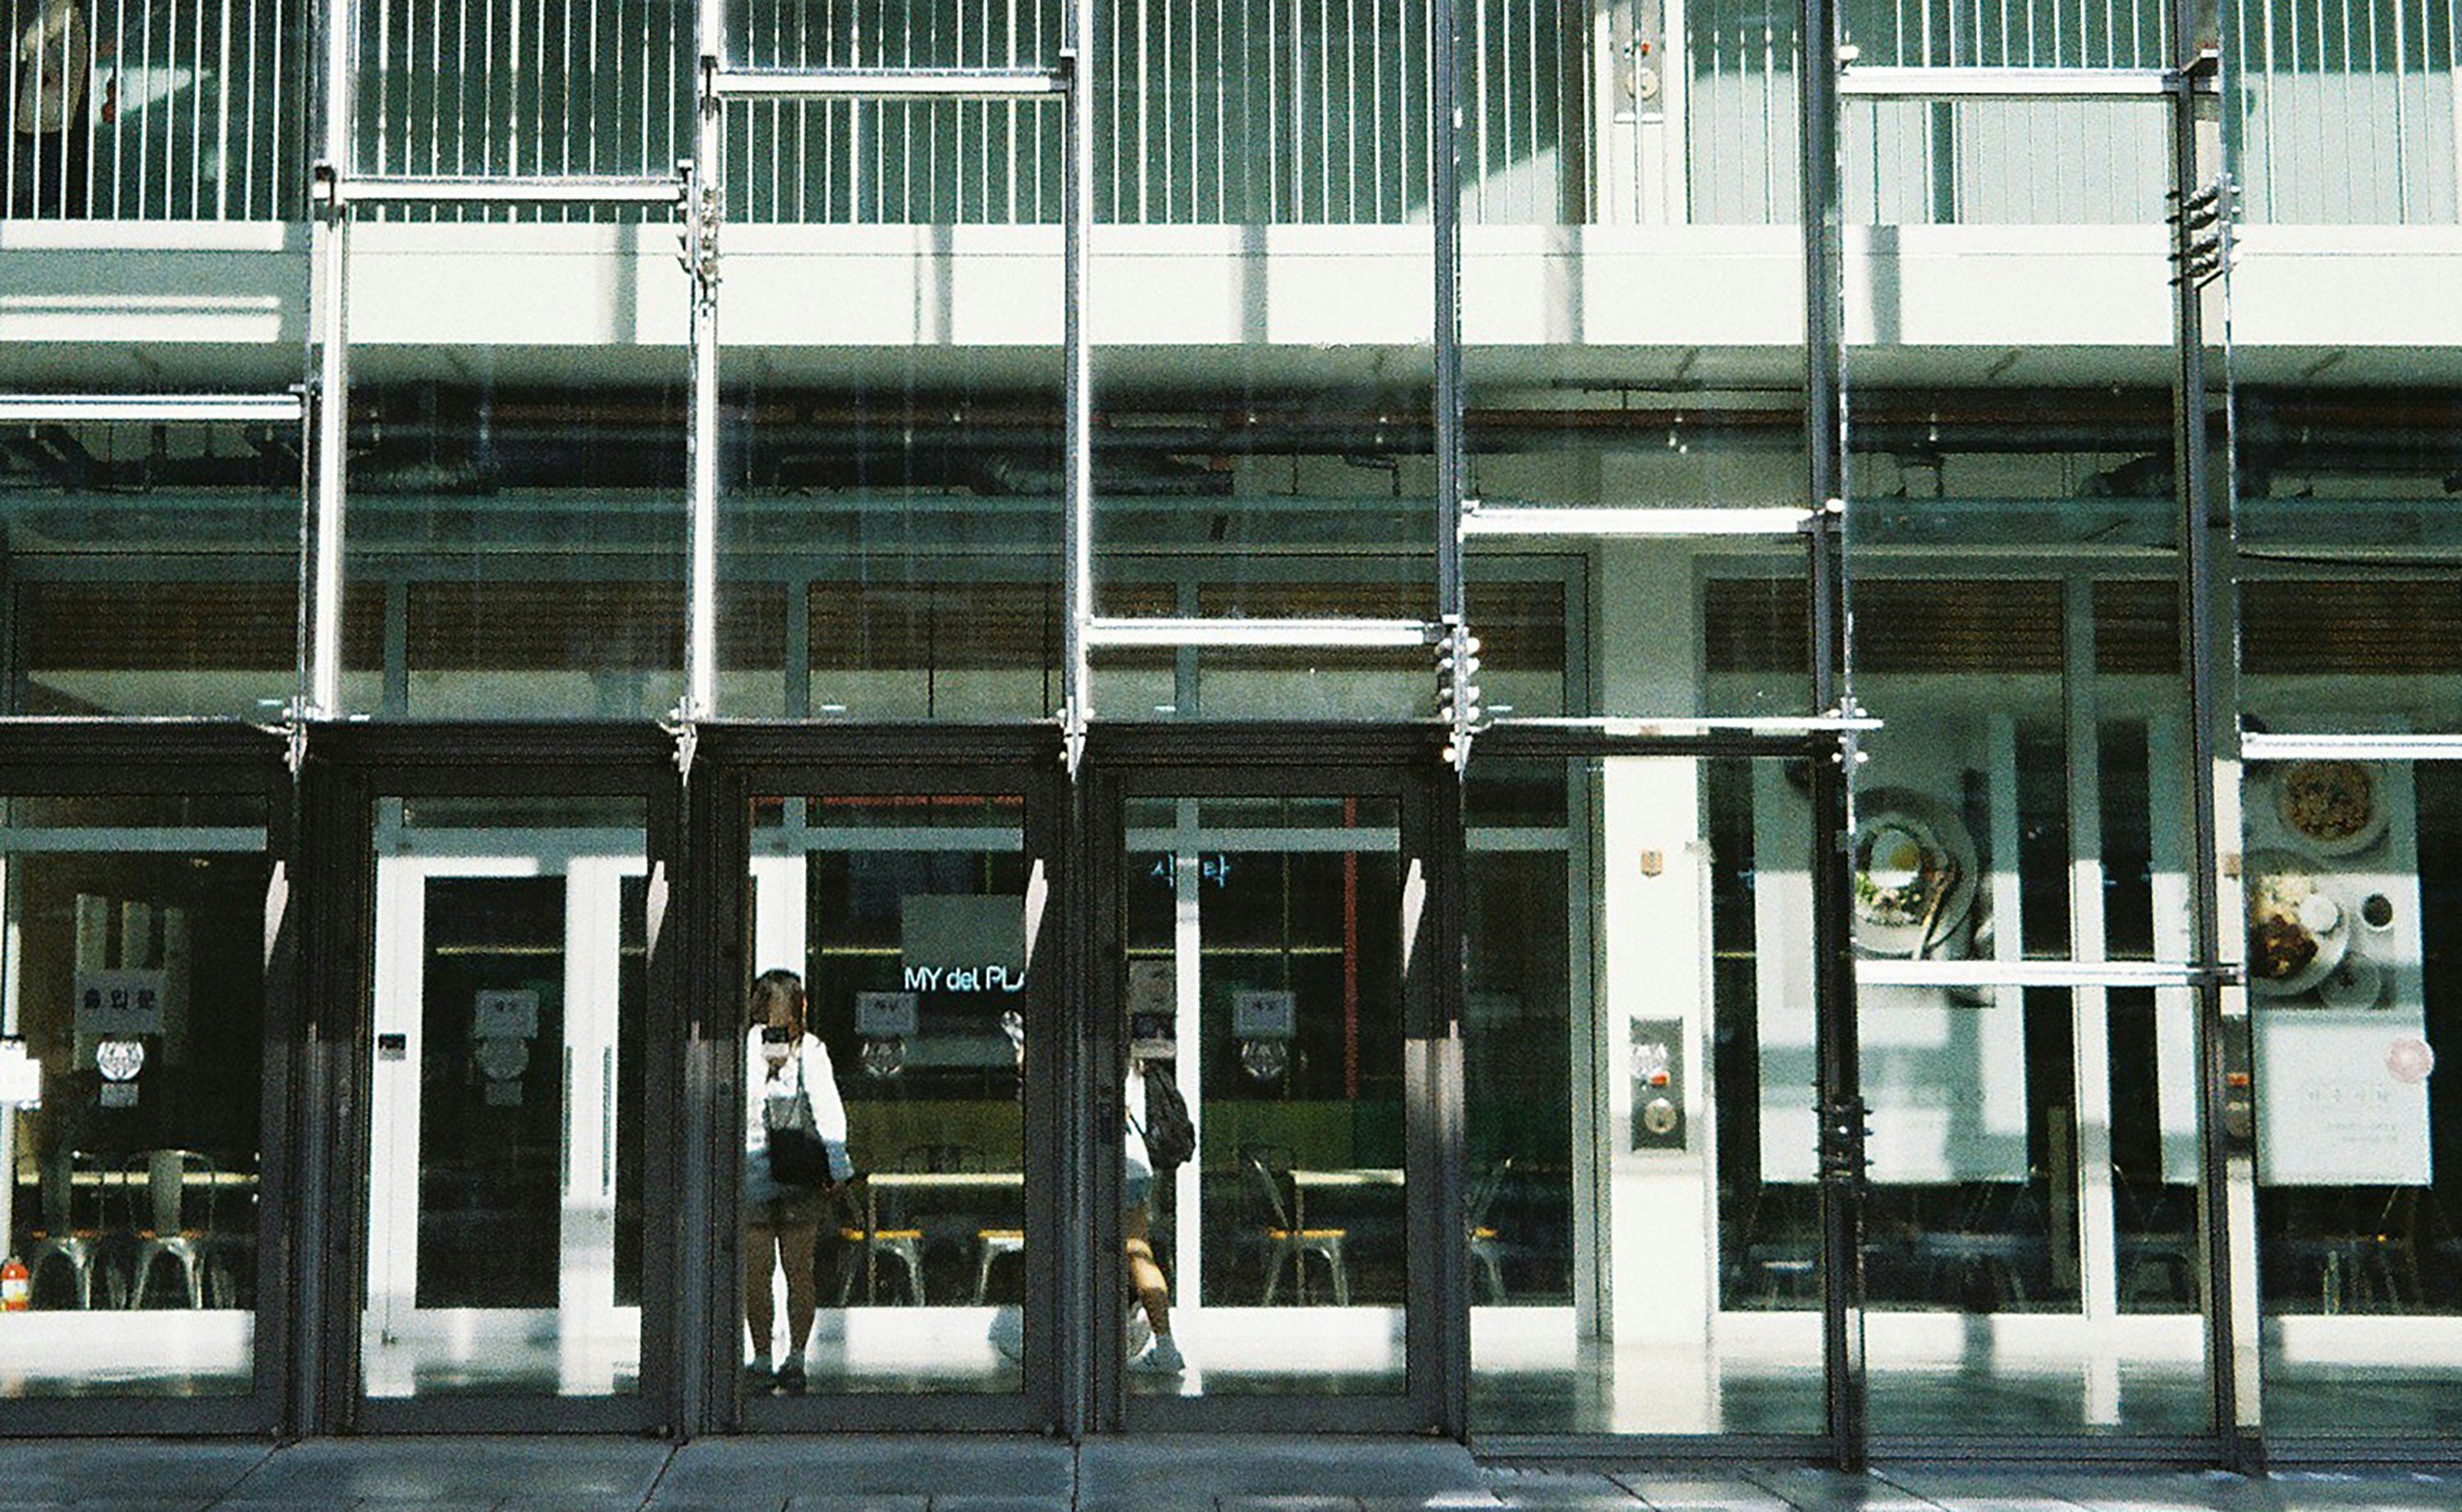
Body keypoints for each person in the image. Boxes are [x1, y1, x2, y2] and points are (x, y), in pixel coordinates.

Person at [741, 968, 850, 1395]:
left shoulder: (761, 1048)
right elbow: (828, 1113)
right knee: (789, 1271)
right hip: (784, 1175)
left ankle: (772, 1357)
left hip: (763, 1173)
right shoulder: (799, 1049)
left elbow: (822, 1110)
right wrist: (838, 1170)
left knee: (767, 1273)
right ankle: (788, 1357)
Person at [1122, 1052, 1188, 1374]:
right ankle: (1163, 1345)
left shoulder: (1105, 1058)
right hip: (1136, 1166)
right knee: (1136, 1253)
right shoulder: (1136, 1060)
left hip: (1114, 1166)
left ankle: (1163, 1346)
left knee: (1134, 1253)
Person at [12, 0, 90, 219]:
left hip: (63, 105)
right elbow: (32, 40)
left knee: (55, 171)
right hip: (55, 104)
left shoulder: (65, 10)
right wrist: (54, 73)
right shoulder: (61, 7)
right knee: (53, 174)